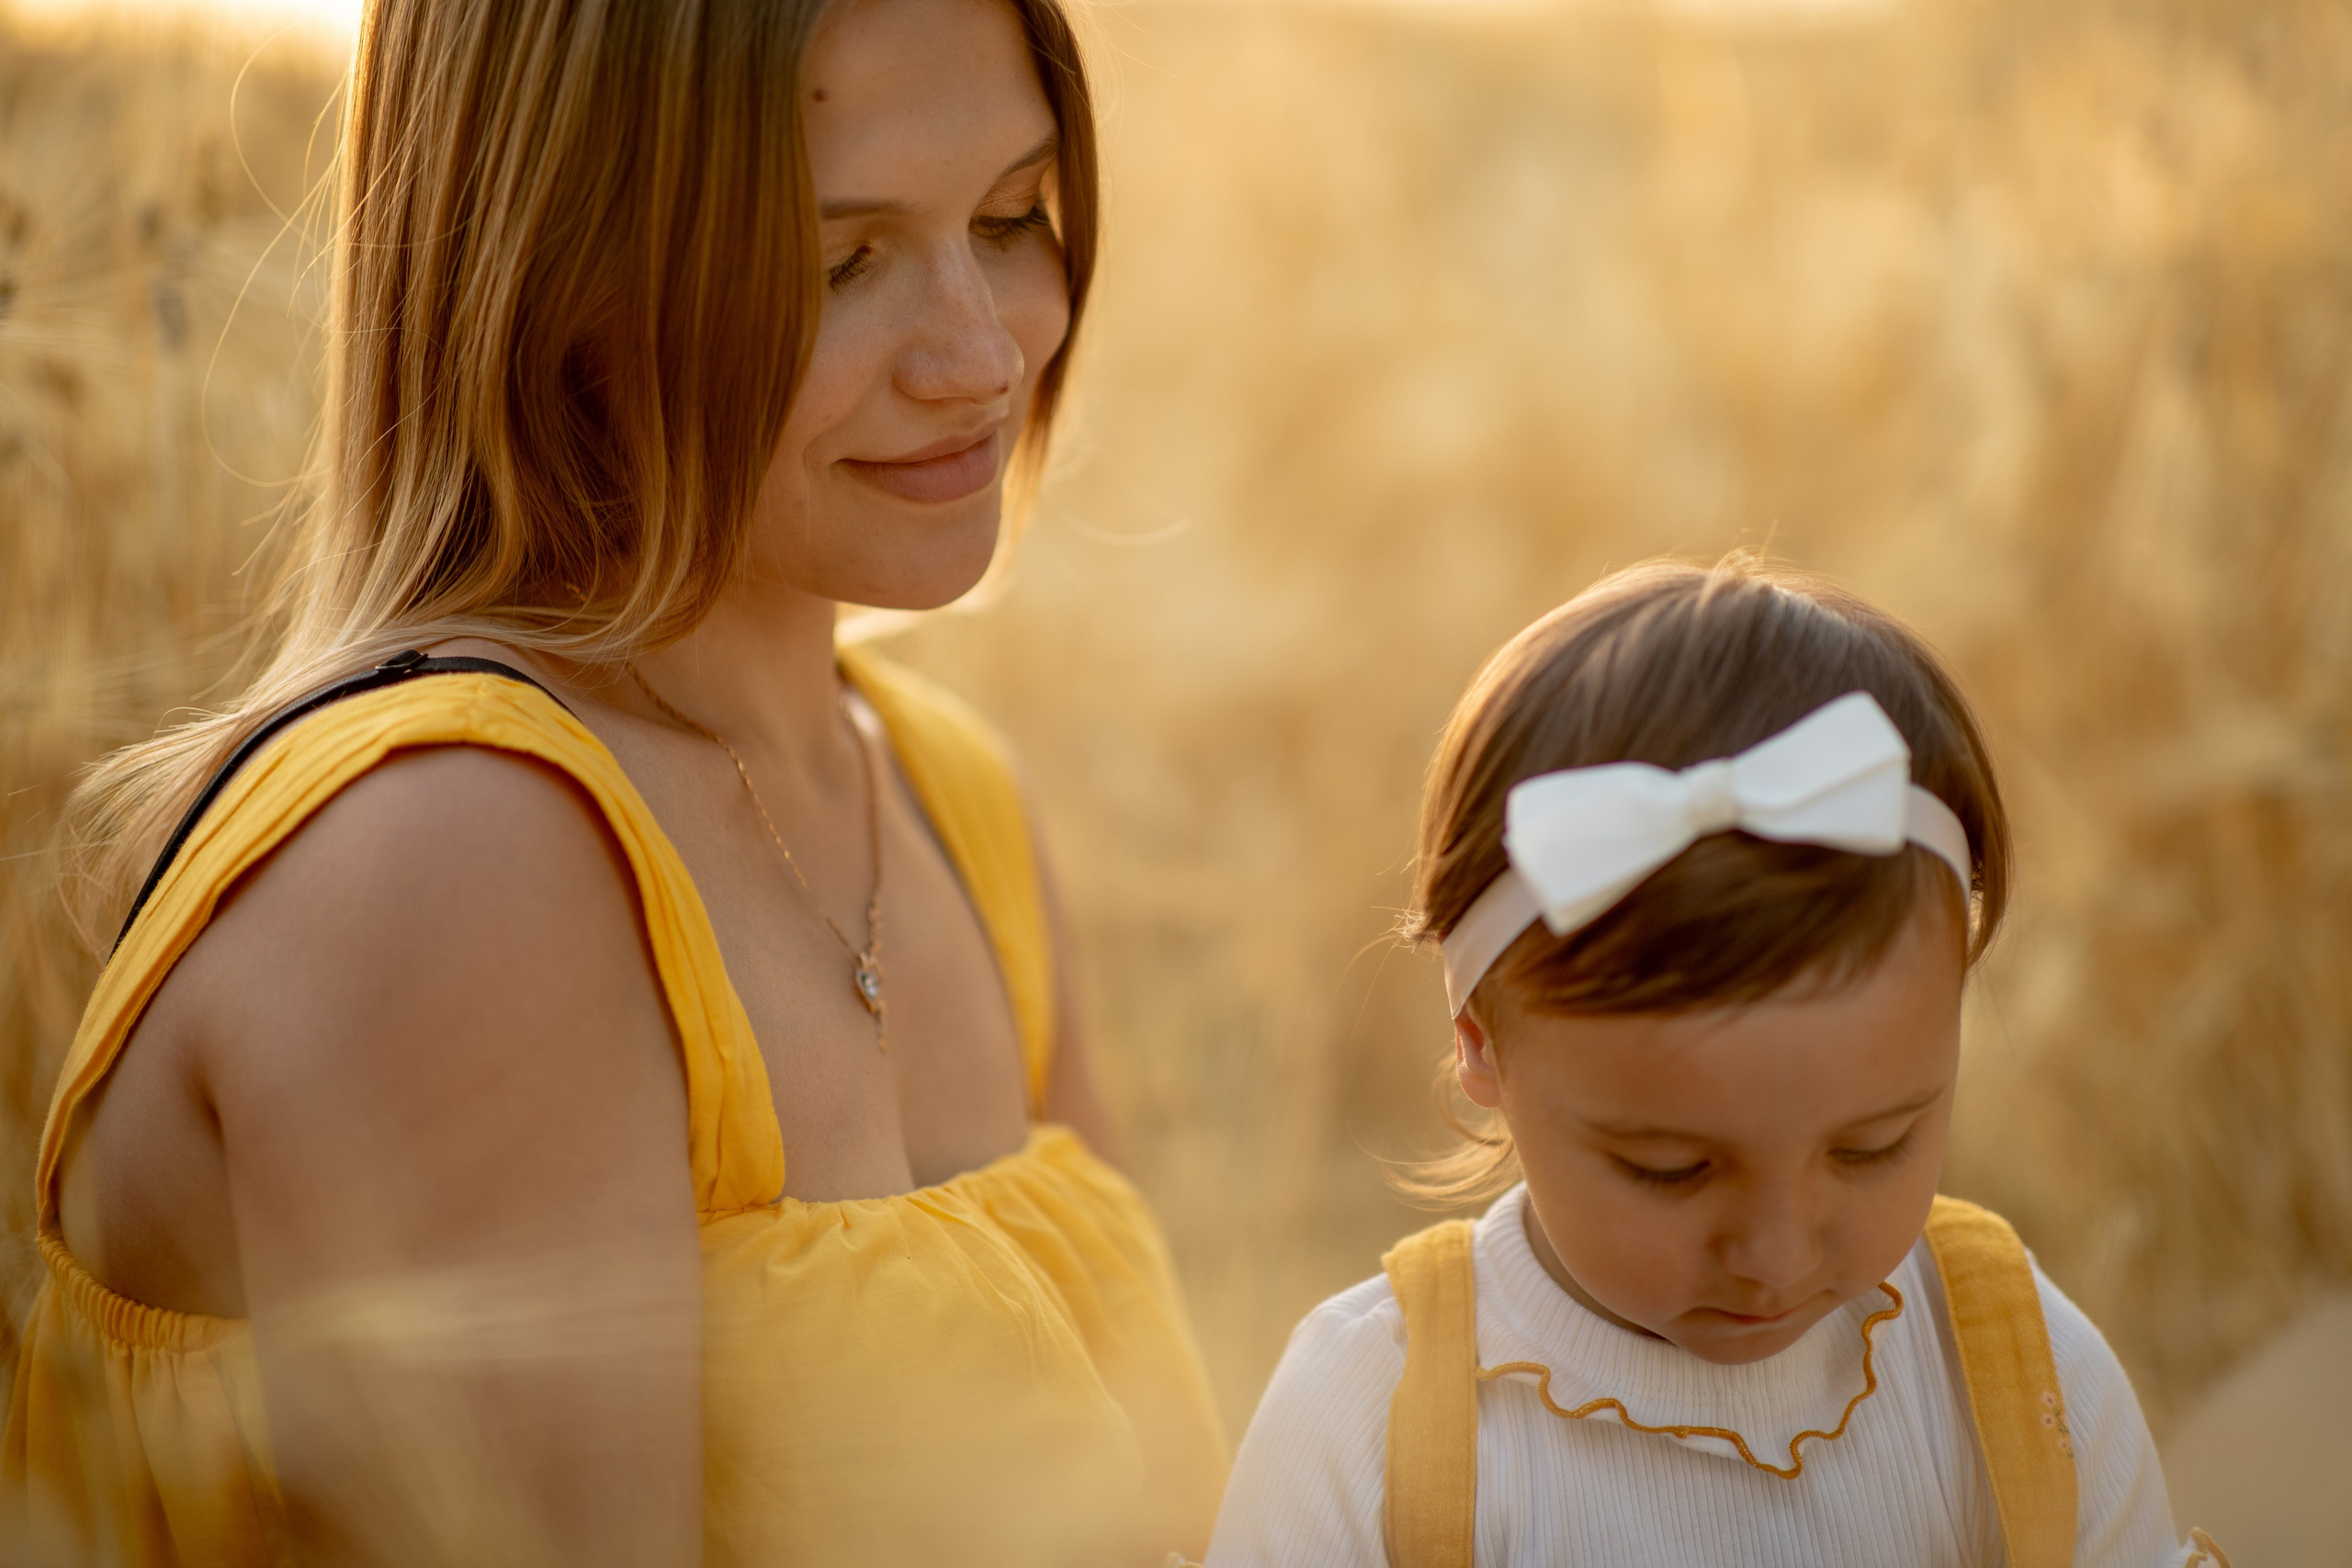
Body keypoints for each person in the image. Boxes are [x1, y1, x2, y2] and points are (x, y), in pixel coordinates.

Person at [4, 0, 1226, 1563]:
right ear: (560, 276)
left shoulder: (946, 801)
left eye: (1010, 220)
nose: (985, 352)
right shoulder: (450, 860)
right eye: (837, 262)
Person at [1204, 558, 2230, 1567]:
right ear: (1480, 1041)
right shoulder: (1378, 1423)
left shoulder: (2014, 1375)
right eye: (1670, 1168)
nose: (1776, 1256)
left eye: (1871, 1147)